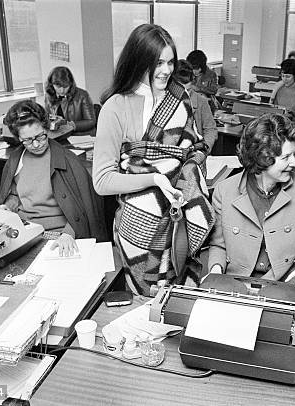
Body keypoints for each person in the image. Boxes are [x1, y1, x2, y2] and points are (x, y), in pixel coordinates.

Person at [93, 24, 214, 295]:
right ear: (139, 62)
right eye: (158, 62)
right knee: (145, 306)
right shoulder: (116, 107)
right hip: (137, 228)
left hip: (177, 219)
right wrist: (155, 178)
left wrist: (189, 173)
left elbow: (193, 148)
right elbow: (102, 181)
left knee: (177, 304)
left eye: (170, 62)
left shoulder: (179, 98)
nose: (167, 70)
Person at [207, 113, 295, 296]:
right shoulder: (224, 191)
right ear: (263, 158)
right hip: (235, 284)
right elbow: (218, 245)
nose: (294, 162)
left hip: (283, 284)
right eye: (286, 157)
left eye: (294, 154)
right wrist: (215, 274)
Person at [0, 100, 107, 256]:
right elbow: (15, 194)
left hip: (58, 235)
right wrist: (8, 206)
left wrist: (69, 234)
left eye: (40, 137)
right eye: (27, 140)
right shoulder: (16, 159)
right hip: (25, 230)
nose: (35, 145)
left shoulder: (68, 160)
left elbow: (83, 208)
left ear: (47, 129)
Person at [173, 59, 218, 153]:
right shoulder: (164, 101)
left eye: (188, 90)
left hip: (196, 152)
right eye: (180, 90)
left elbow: (210, 129)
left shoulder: (201, 101)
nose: (185, 95)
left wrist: (204, 149)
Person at [44, 66, 96, 137]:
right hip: (59, 136)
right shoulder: (48, 96)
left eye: (65, 87)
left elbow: (91, 121)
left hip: (80, 136)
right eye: (58, 87)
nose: (62, 91)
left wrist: (70, 125)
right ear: (51, 85)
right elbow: (47, 118)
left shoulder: (82, 95)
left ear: (70, 84)